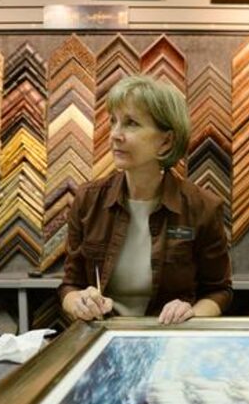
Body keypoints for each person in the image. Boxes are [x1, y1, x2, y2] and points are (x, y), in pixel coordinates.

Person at [59, 75, 232, 325]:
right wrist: (80, 302)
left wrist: (190, 312)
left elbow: (219, 291)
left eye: (131, 123)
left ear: (166, 141)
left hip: (169, 341)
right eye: (113, 122)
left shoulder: (202, 207)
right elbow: (70, 285)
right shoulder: (87, 201)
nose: (115, 135)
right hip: (103, 338)